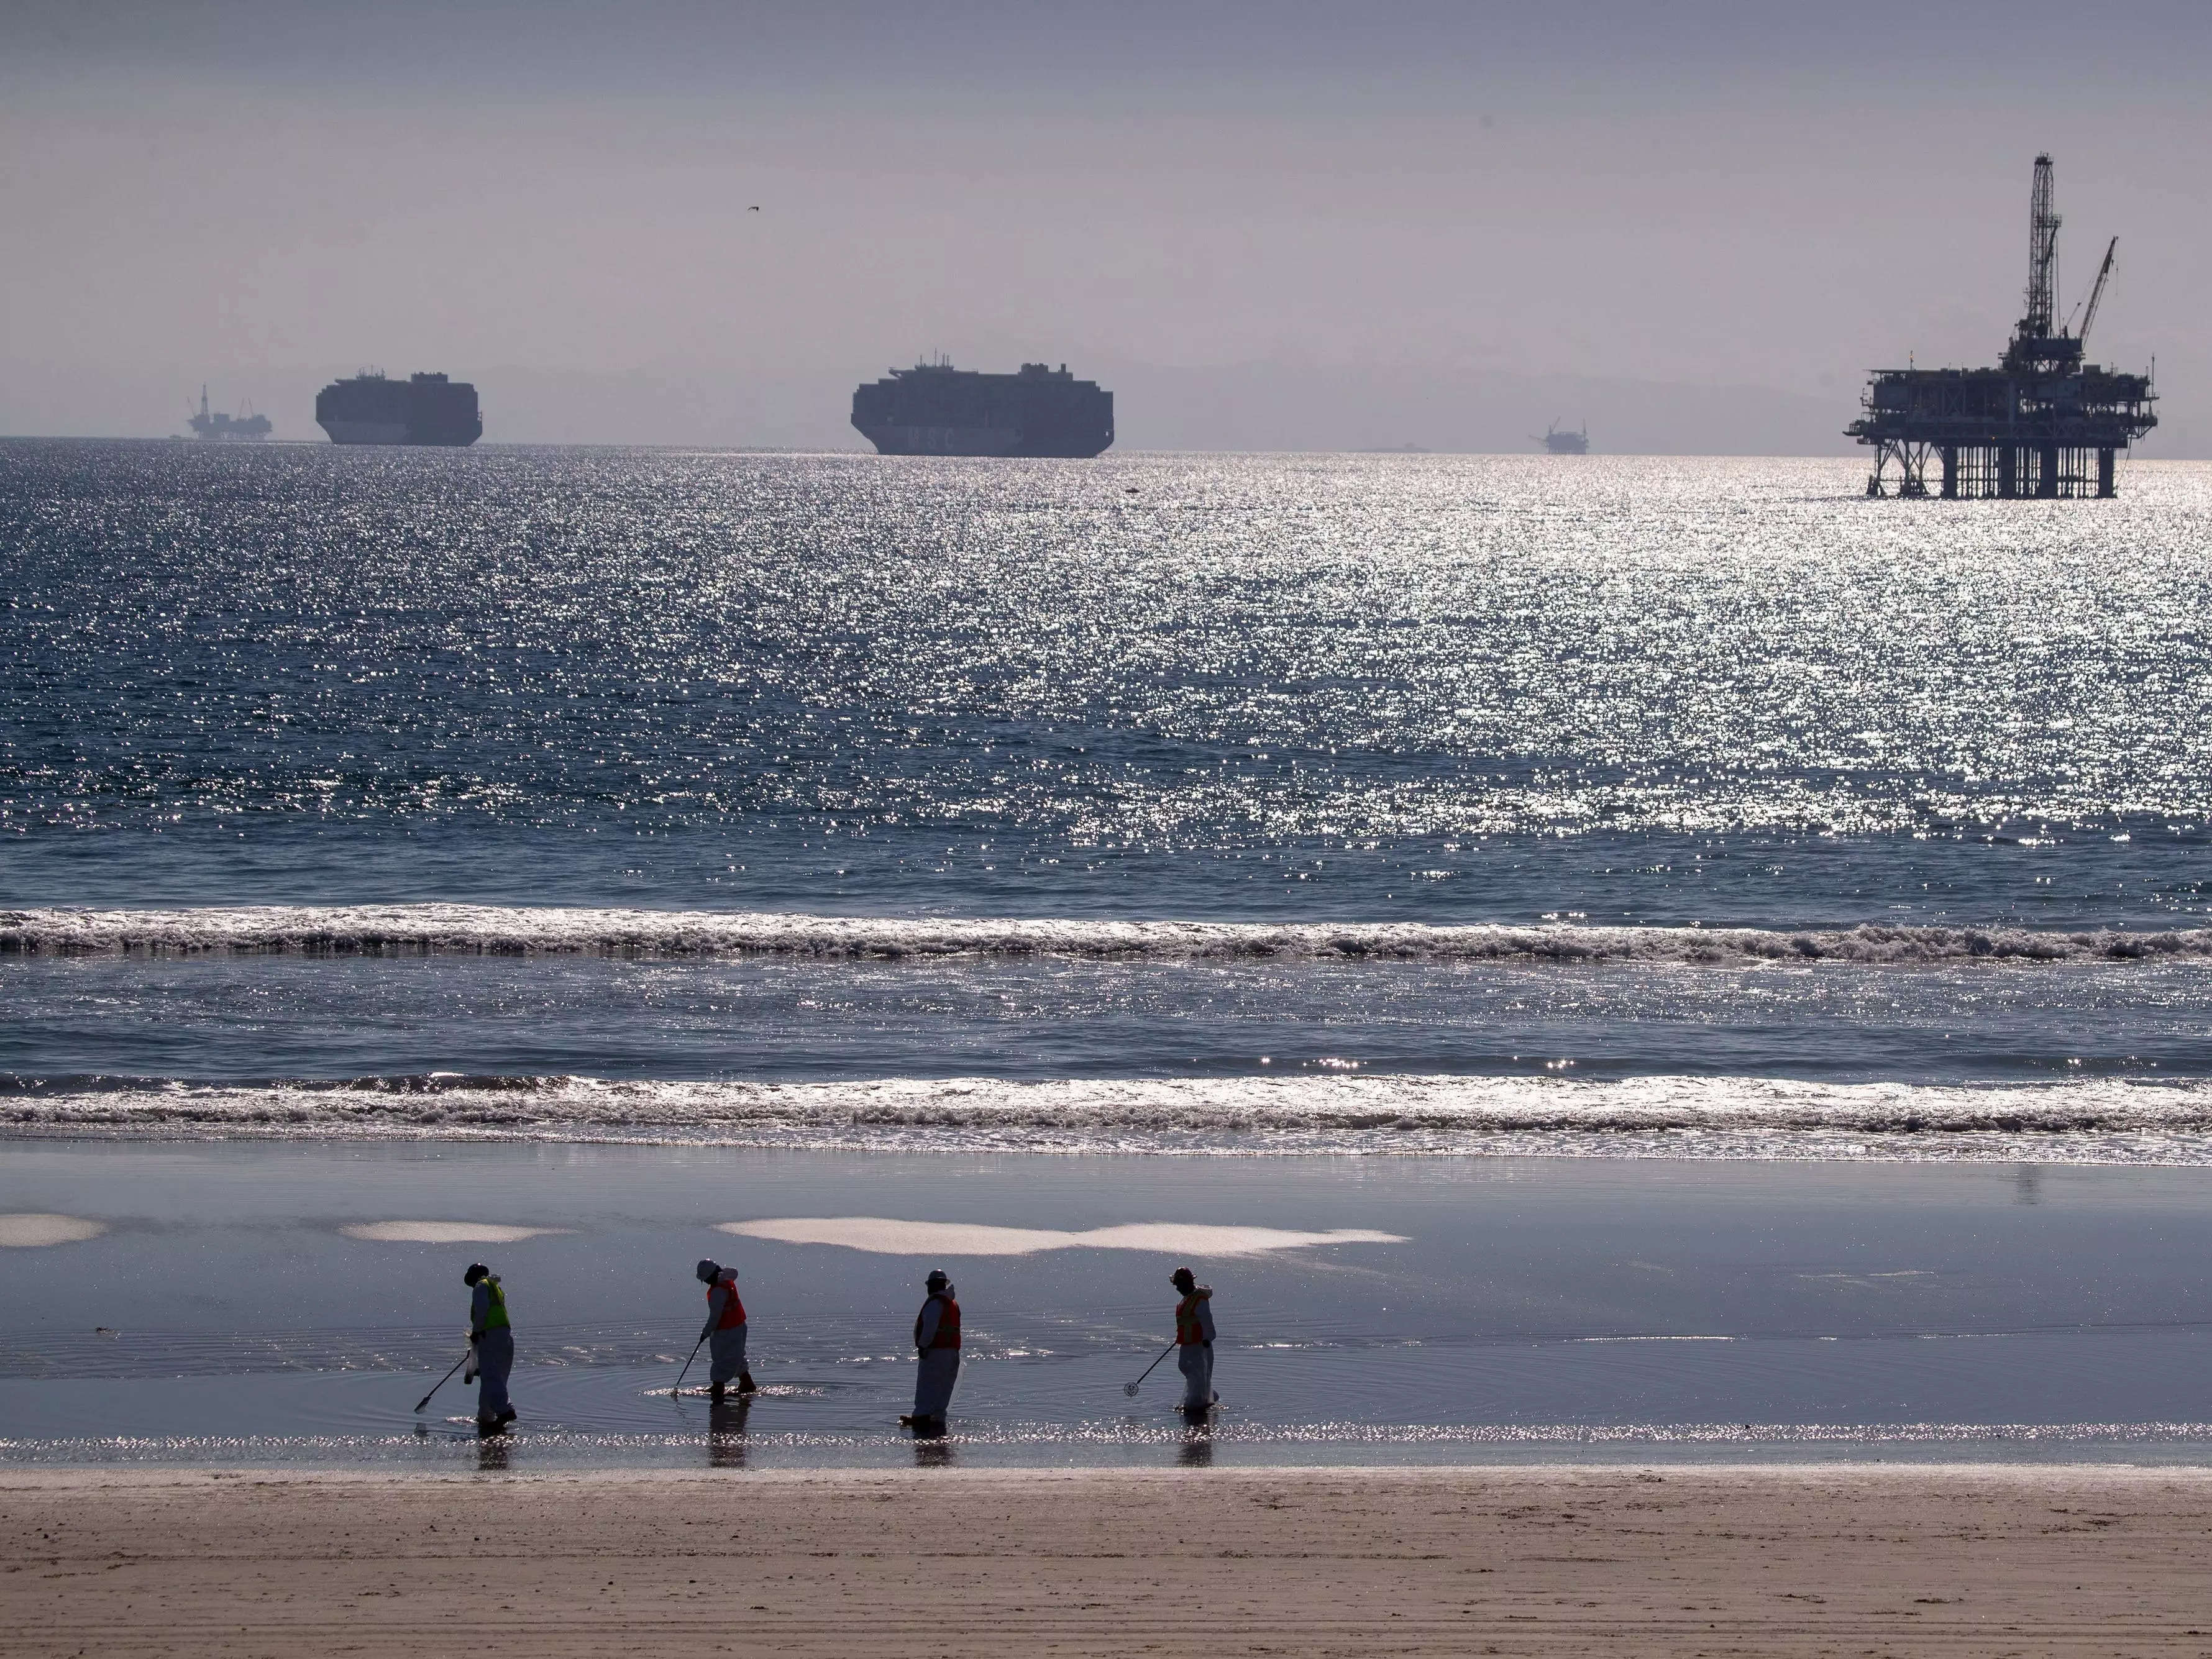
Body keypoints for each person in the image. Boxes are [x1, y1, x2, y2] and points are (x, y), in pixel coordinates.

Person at [900, 1268, 960, 1432]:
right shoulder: (952, 1304)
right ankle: (938, 1420)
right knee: (944, 1387)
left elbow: (929, 1329)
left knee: (927, 1386)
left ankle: (921, 1418)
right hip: (952, 1353)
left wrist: (923, 1346)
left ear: (932, 1286)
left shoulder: (935, 1303)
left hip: (935, 1353)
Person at [695, 1259, 757, 1401]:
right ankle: (747, 1383)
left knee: (721, 1359)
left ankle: (718, 1388)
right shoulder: (727, 1280)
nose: (705, 1282)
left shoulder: (718, 1292)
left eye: (705, 1279)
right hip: (739, 1326)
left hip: (727, 1330)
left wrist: (705, 1333)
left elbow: (715, 1317)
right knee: (736, 1356)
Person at [464, 1263, 516, 1430]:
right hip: (505, 1337)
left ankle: (504, 1410)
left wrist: (476, 1333)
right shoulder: (494, 1287)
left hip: (489, 1336)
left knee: (490, 1378)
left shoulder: (481, 1286)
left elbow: (482, 1310)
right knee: (496, 1379)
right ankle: (486, 1417)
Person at [1170, 1266, 1216, 1416]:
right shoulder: (1187, 1299)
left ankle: (1196, 1402)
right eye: (1176, 1285)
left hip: (1200, 1345)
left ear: (1187, 1283)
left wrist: (1207, 1339)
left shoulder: (1199, 1299)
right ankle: (1205, 1395)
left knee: (1197, 1373)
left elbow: (1207, 1321)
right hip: (1187, 1343)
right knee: (1185, 1367)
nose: (1177, 1288)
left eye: (1179, 1285)